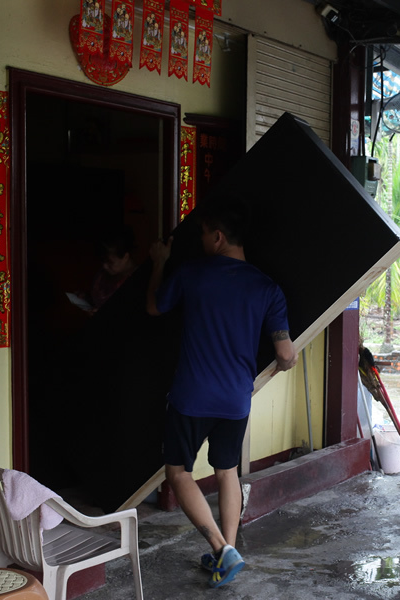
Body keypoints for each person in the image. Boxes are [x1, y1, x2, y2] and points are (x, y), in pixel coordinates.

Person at [146, 199, 297, 589]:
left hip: (191, 395)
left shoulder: (192, 273)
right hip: (235, 399)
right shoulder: (267, 287)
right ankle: (225, 555)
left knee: (177, 472)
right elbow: (285, 354)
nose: (199, 242)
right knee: (226, 471)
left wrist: (159, 260)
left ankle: (221, 548)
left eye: (201, 234)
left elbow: (154, 307)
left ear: (217, 236)